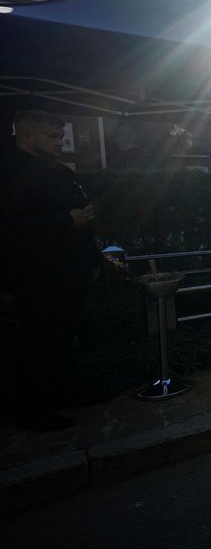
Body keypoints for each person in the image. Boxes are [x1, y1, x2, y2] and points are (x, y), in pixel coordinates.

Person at [0, 110, 100, 432]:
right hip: (39, 273)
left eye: (60, 136)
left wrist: (90, 259)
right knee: (39, 340)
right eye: (52, 137)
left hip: (69, 269)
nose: (59, 143)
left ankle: (62, 391)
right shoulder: (10, 171)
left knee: (62, 336)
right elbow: (11, 228)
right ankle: (33, 409)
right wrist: (68, 220)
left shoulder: (53, 169)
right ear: (28, 136)